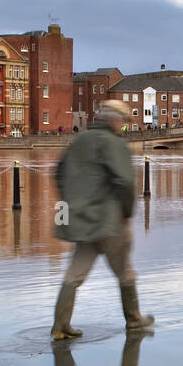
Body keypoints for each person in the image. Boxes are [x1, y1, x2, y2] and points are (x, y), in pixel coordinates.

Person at [51, 100, 154, 339]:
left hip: (82, 221)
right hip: (110, 222)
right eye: (123, 121)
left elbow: (58, 173)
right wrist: (127, 212)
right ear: (115, 120)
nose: (124, 126)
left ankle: (60, 325)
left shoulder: (79, 140)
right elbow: (125, 182)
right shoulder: (114, 144)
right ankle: (134, 319)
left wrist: (69, 203)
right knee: (125, 272)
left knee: (75, 274)